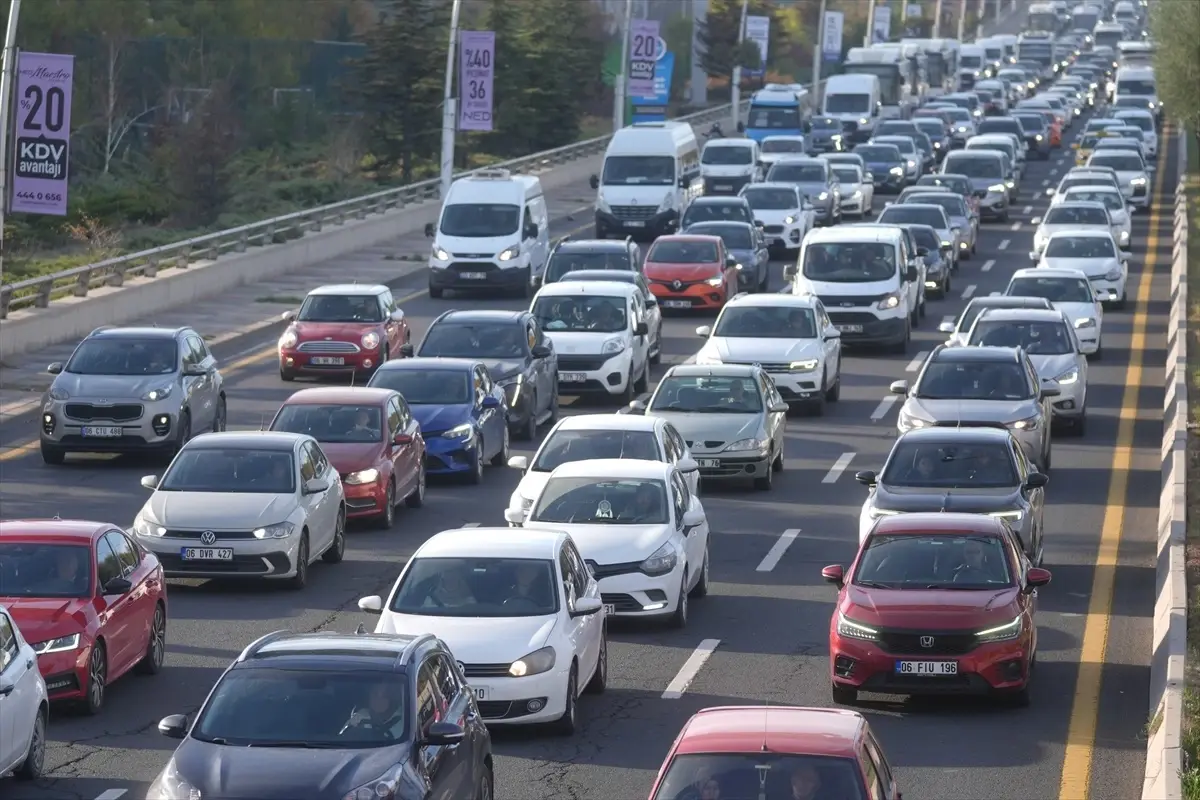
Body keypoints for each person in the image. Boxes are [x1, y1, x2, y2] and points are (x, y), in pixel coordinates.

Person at [340, 681, 405, 737]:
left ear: (391, 698)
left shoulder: (403, 721)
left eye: (384, 696)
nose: (378, 699)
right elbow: (342, 738)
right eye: (375, 693)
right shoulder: (359, 717)